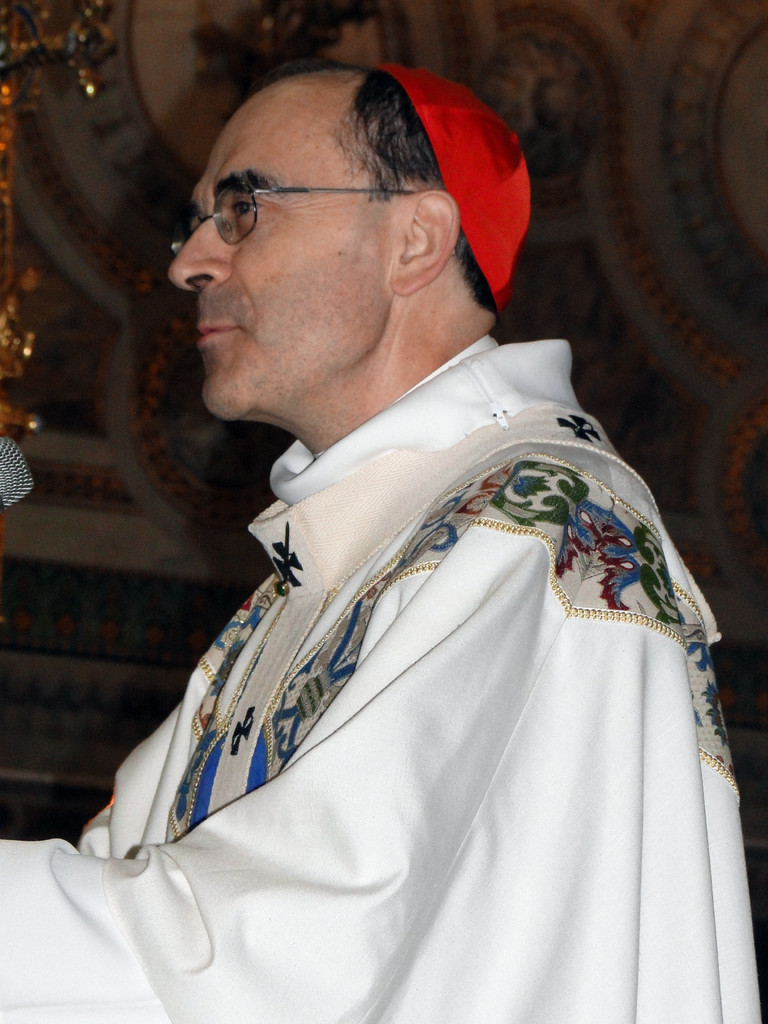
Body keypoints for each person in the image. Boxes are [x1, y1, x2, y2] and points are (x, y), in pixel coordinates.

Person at [0, 60, 760, 1023]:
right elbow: (124, 901)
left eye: (242, 208)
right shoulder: (315, 584)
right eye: (197, 219)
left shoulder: (536, 528)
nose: (189, 260)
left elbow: (272, 954)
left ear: (414, 240)